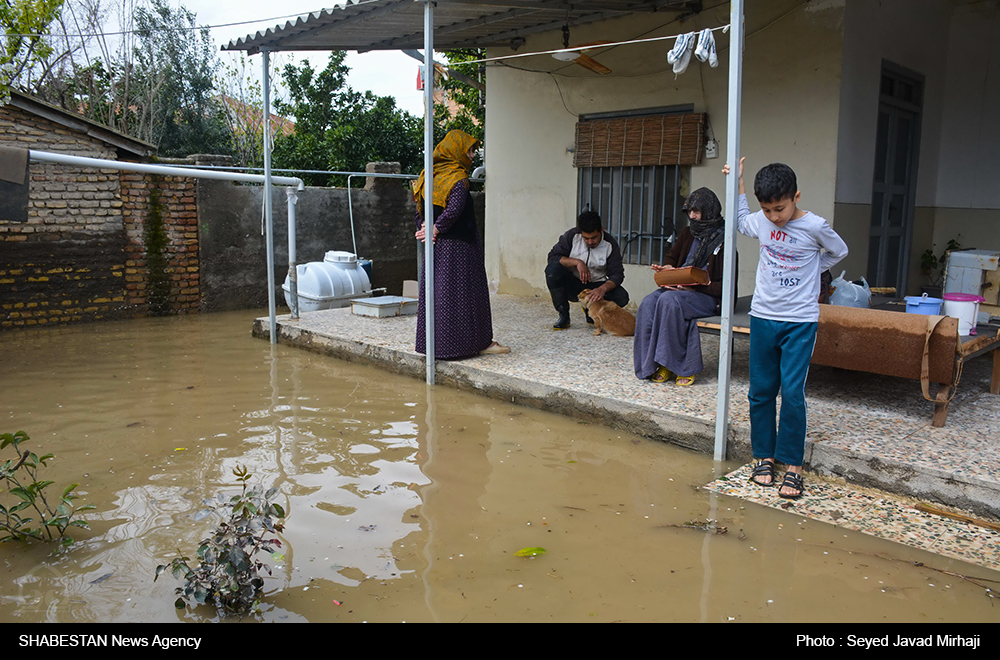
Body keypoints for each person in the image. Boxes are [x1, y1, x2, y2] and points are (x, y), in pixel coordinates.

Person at [725, 158, 848, 499]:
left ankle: (793, 464)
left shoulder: (815, 226)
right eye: (767, 210)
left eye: (779, 208)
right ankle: (763, 456)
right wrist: (738, 182)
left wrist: (813, 267)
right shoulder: (762, 222)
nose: (774, 217)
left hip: (800, 321)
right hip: (763, 316)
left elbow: (839, 250)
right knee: (760, 391)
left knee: (792, 393)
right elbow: (739, 221)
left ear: (796, 197)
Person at [413, 130, 508, 359]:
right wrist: (436, 228)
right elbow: (454, 210)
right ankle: (474, 343)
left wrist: (427, 227)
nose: (472, 155)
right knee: (465, 293)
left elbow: (418, 208)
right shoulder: (459, 178)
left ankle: (435, 345)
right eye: (470, 149)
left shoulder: (428, 175)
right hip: (459, 246)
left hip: (435, 245)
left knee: (438, 293)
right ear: (456, 149)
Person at [633, 187, 732, 387]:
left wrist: (694, 287)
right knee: (648, 302)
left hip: (706, 297)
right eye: (689, 212)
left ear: (709, 210)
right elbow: (672, 257)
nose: (692, 216)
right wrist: (668, 268)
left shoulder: (725, 239)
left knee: (670, 301)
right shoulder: (688, 233)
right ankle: (651, 364)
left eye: (697, 211)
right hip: (679, 290)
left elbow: (726, 287)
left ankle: (676, 364)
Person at [545, 211, 629, 330]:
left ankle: (590, 309)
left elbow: (617, 275)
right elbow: (553, 257)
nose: (590, 242)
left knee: (622, 297)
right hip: (574, 283)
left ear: (601, 230)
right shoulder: (572, 236)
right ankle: (564, 315)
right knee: (552, 270)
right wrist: (577, 262)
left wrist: (602, 289)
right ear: (580, 233)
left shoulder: (610, 244)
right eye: (586, 238)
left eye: (594, 238)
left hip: (597, 284)